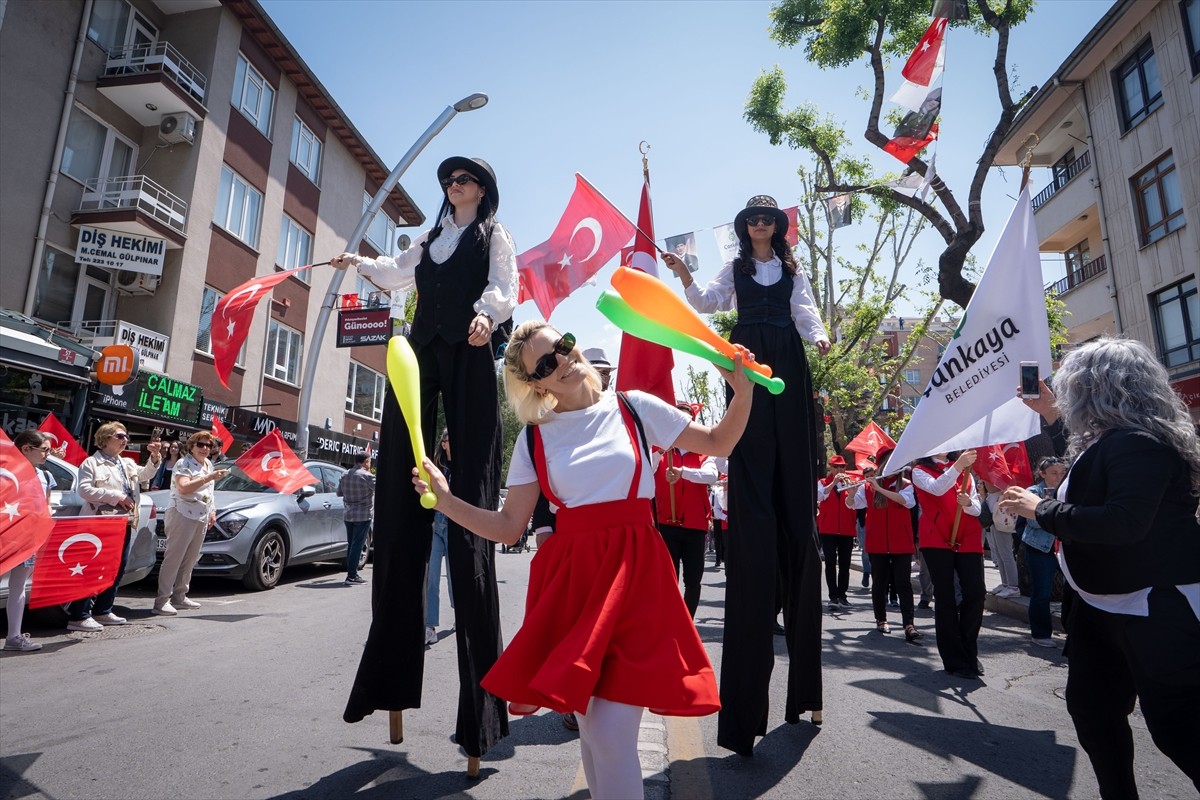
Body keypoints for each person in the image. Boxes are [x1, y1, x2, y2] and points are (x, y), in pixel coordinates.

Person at [411, 320, 752, 800]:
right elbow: (509, 526)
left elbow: (718, 443)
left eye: (563, 347)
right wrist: (446, 502)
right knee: (592, 729)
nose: (562, 362)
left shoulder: (634, 407)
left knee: (610, 733)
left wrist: (742, 393)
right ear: (536, 385)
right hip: (574, 585)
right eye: (544, 365)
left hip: (636, 577)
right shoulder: (534, 439)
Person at [333, 156, 515, 761]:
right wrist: (357, 261)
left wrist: (487, 316)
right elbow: (395, 273)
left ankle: (478, 720)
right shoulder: (432, 236)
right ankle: (388, 683)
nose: (451, 187)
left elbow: (504, 288)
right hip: (421, 356)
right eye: (447, 181)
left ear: (481, 190)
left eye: (461, 180)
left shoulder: (494, 235)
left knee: (470, 517)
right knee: (398, 500)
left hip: (469, 350)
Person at [664, 194, 830, 754]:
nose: (760, 225)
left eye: (768, 219)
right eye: (753, 219)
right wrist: (684, 274)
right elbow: (707, 303)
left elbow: (806, 311)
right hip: (747, 358)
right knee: (751, 448)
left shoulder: (791, 270)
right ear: (745, 228)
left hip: (788, 357)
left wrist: (818, 336)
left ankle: (806, 690)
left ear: (778, 227)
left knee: (794, 472)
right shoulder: (734, 269)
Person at [998, 338, 1200, 798]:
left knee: (1179, 727)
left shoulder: (1141, 443)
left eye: (1071, 387)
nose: (1067, 394)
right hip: (1100, 607)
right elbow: (1085, 474)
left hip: (1154, 607)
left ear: (1095, 388)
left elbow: (1122, 522)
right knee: (1094, 712)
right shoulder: (1116, 440)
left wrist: (1040, 509)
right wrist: (1050, 414)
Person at [532, 346, 613, 733]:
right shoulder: (547, 426)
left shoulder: (626, 411)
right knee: (577, 630)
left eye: (607, 372)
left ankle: (597, 700)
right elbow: (542, 483)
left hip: (624, 550)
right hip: (571, 543)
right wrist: (544, 530)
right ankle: (574, 698)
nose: (602, 376)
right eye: (599, 370)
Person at [67, 422, 161, 631]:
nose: (124, 440)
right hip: (98, 523)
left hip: (122, 523)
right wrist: (115, 496)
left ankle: (103, 610)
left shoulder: (126, 462)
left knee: (116, 568)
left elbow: (145, 474)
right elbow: (84, 490)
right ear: (105, 438)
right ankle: (79, 615)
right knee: (92, 568)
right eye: (120, 436)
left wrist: (154, 457)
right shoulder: (92, 463)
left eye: (126, 436)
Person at [912, 449, 984, 679]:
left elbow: (977, 507)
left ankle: (968, 650)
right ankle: (955, 659)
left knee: (976, 593)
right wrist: (958, 466)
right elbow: (937, 488)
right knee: (946, 597)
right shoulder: (918, 471)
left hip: (968, 535)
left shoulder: (965, 471)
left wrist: (969, 503)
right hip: (936, 537)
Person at [653, 404, 719, 619]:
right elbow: (646, 470)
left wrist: (683, 472)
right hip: (666, 525)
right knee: (668, 579)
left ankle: (688, 621)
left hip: (694, 525)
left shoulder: (703, 453)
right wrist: (660, 451)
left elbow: (711, 475)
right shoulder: (660, 451)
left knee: (693, 580)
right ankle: (669, 621)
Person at [850, 455, 922, 641]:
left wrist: (880, 489)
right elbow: (852, 504)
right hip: (877, 543)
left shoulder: (906, 485)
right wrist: (851, 491)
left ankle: (909, 624)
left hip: (901, 543)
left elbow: (907, 502)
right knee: (879, 583)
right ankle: (881, 619)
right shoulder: (867, 487)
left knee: (903, 584)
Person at [155, 432, 227, 615]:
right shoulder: (183, 463)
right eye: (200, 445)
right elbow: (183, 487)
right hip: (182, 513)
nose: (205, 449)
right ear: (192, 446)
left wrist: (212, 510)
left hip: (201, 516)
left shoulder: (208, 464)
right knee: (174, 558)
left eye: (208, 446)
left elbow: (209, 492)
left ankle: (180, 596)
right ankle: (162, 600)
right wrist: (209, 477)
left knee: (190, 558)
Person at [3, 431, 56, 651]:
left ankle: (14, 636)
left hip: (27, 539)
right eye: (44, 450)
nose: (48, 454)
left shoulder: (44, 476)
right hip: (6, 535)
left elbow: (46, 504)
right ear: (26, 449)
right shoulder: (7, 472)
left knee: (19, 586)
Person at [1012, 457, 1067, 648]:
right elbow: (1033, 521)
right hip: (1040, 548)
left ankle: (1071, 631)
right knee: (1042, 592)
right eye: (1054, 473)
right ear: (1042, 474)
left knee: (1072, 591)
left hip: (1064, 548)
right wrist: (1050, 507)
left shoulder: (1067, 490)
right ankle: (1040, 633)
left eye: (1062, 473)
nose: (1059, 477)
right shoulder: (1033, 492)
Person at [816, 455, 857, 609]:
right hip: (828, 529)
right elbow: (820, 496)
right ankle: (833, 597)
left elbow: (856, 503)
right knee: (830, 563)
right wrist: (833, 483)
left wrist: (851, 489)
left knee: (845, 564)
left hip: (846, 529)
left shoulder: (851, 482)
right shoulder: (822, 482)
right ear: (830, 468)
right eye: (836, 466)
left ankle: (842, 596)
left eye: (842, 466)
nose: (839, 469)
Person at [426, 431, 453, 645]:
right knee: (432, 577)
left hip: (455, 527)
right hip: (436, 525)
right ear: (443, 444)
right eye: (449, 440)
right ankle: (430, 626)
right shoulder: (437, 467)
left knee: (454, 577)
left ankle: (459, 612)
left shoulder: (462, 467)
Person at [981, 480, 1021, 598]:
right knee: (999, 554)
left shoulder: (1001, 480)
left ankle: (1013, 586)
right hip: (994, 519)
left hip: (1002, 520)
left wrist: (987, 480)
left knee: (1006, 554)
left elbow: (991, 488)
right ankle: (1005, 584)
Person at [710, 457, 729, 569]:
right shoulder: (717, 491)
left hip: (740, 523)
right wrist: (725, 517)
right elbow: (716, 509)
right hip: (725, 523)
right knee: (726, 547)